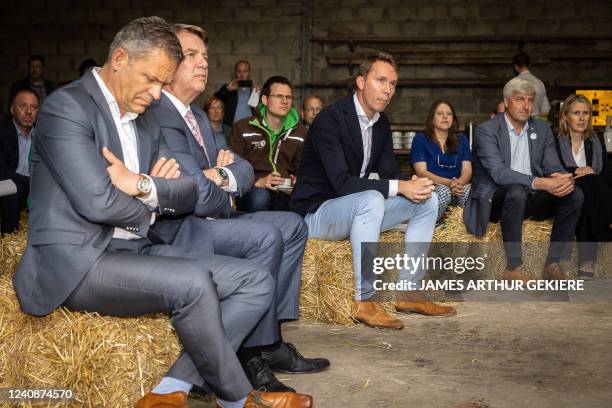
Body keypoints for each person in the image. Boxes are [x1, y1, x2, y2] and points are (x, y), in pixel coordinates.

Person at [11, 17, 311, 408]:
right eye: (151, 80)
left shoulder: (146, 117)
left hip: (136, 249)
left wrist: (141, 185)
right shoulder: (65, 108)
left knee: (255, 282)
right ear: (119, 59)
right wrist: (154, 197)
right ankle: (240, 399)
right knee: (194, 282)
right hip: (79, 261)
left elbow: (186, 190)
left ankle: (170, 389)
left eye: (162, 83)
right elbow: (96, 202)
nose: (156, 94)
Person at [149, 23, 328, 395]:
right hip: (184, 227)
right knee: (265, 234)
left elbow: (242, 169)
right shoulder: (160, 114)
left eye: (205, 56)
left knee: (293, 224)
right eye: (191, 55)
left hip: (218, 214)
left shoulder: (197, 116)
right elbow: (195, 194)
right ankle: (250, 353)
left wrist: (223, 177)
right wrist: (221, 181)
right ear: (166, 63)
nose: (203, 63)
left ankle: (269, 339)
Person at [290, 53, 456, 331]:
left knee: (426, 202)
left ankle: (408, 291)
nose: (388, 89)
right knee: (371, 199)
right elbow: (342, 183)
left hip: (357, 210)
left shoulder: (380, 123)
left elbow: (391, 173)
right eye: (381, 80)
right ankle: (364, 300)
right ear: (360, 82)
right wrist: (398, 186)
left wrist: (413, 183)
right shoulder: (330, 119)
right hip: (317, 212)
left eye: (393, 83)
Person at [464, 77, 584, 281]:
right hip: (496, 200)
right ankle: (513, 266)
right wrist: (539, 182)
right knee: (516, 190)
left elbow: (551, 165)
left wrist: (564, 178)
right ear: (507, 101)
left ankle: (552, 264)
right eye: (520, 99)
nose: (526, 105)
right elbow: (499, 173)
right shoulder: (487, 130)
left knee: (575, 194)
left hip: (531, 197)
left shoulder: (542, 129)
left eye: (530, 100)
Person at [554, 94, 612, 280]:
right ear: (565, 116)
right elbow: (553, 168)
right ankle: (601, 235)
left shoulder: (596, 140)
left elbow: (606, 173)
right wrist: (578, 170)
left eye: (585, 113)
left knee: (592, 187)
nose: (581, 118)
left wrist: (590, 175)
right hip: (564, 187)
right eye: (576, 113)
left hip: (591, 192)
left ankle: (587, 261)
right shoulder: (555, 140)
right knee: (591, 184)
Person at [229, 76, 307, 212]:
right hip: (252, 190)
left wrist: (295, 183)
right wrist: (259, 181)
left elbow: (303, 168)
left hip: (284, 190)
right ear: (265, 100)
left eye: (288, 97)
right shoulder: (243, 128)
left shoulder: (300, 132)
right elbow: (233, 167)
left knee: (300, 199)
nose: (285, 101)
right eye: (279, 96)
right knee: (260, 197)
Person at [411, 100, 472, 221]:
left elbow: (467, 169)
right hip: (432, 186)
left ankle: (461, 228)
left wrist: (459, 184)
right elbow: (421, 172)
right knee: (444, 192)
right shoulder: (420, 139)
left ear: (453, 119)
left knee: (469, 191)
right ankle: (429, 225)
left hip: (457, 187)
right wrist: (448, 183)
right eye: (440, 113)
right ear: (432, 118)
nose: (445, 116)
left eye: (449, 114)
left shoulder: (462, 139)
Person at [0, 89, 39, 234]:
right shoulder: (3, 132)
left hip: (34, 189)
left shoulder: (43, 135)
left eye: (33, 107)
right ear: (12, 110)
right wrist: (29, 181)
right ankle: (8, 241)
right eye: (22, 106)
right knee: (11, 189)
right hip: (8, 186)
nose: (29, 111)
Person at [214, 60, 258, 126]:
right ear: (235, 73)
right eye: (239, 71)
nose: (242, 75)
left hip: (251, 127)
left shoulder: (255, 90)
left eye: (245, 71)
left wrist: (258, 94)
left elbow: (262, 111)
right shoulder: (229, 89)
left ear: (249, 72)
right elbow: (213, 101)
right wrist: (227, 89)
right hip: (231, 128)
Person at [513, 52, 550, 118]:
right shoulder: (539, 83)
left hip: (517, 124)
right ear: (529, 65)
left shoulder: (512, 84)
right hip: (536, 123)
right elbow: (545, 109)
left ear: (515, 66)